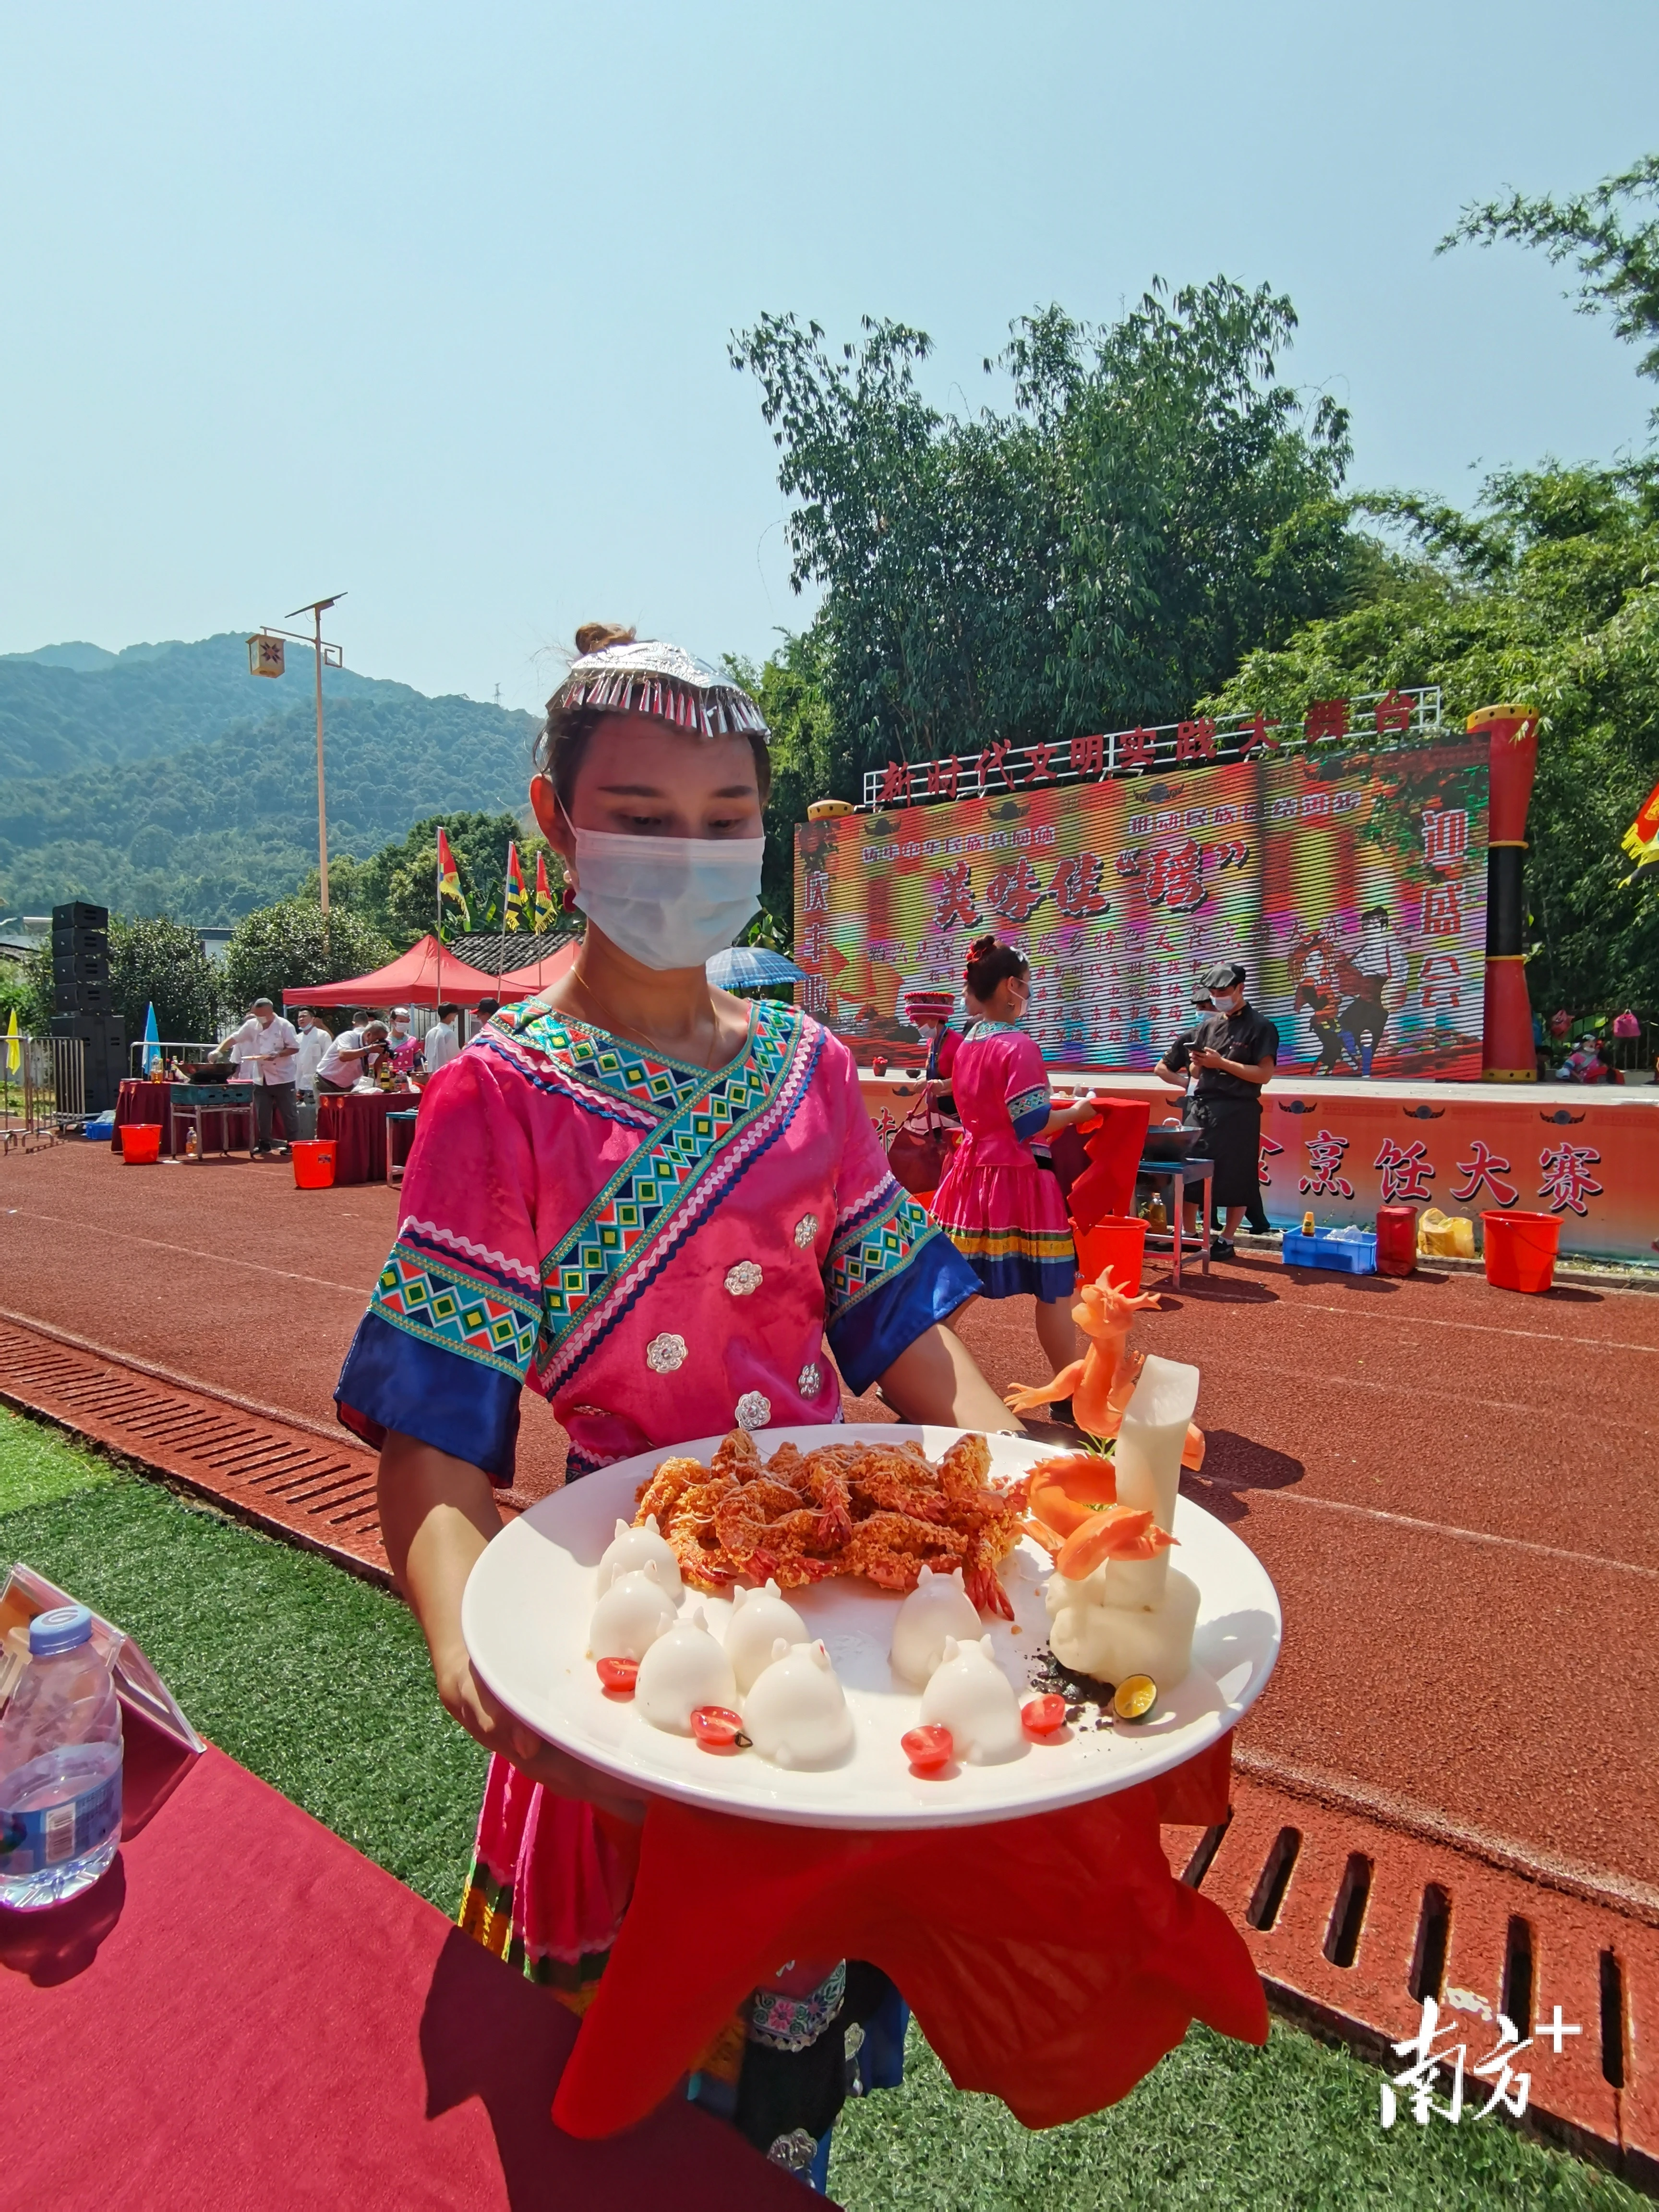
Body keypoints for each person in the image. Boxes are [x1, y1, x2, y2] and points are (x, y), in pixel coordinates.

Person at [334, 625, 1015, 2185]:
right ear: (553, 823)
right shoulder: (496, 1099)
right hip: (616, 1674)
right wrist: (469, 1644)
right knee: (601, 2126)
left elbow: (916, 1332)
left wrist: (1017, 1490)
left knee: (782, 2112)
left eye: (721, 819)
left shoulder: (810, 1074)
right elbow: (438, 1438)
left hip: (830, 1655)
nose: (683, 852)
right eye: (639, 811)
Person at [928, 936, 1100, 1387]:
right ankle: (1068, 1390)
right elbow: (1031, 1123)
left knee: (957, 1288)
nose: (1029, 992)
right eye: (1027, 984)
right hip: (1019, 1180)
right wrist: (1080, 1112)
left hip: (970, 1177)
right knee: (1055, 1289)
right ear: (1010, 987)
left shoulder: (967, 1043)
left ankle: (919, 1378)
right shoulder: (1018, 1046)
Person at [1157, 962, 1277, 1259]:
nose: (1217, 997)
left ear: (1240, 988)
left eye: (1223, 992)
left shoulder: (1261, 1026)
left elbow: (1264, 1074)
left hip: (1239, 1110)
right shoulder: (1207, 1026)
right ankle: (1189, 1232)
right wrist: (1198, 1065)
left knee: (1238, 1173)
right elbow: (1194, 1071)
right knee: (1190, 1170)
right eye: (1213, 993)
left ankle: (1226, 1238)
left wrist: (1221, 1063)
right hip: (1202, 1107)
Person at [227, 997, 301, 1156]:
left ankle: (293, 1143)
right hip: (261, 1076)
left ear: (270, 1012)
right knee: (263, 1113)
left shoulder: (284, 1026)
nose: (259, 1018)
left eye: (262, 1015)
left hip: (283, 1076)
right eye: (256, 1014)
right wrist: (218, 1050)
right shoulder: (251, 1025)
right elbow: (234, 1038)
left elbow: (295, 1048)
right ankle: (264, 1143)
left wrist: (278, 1055)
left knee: (289, 1113)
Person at [314, 1019, 388, 1094]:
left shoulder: (372, 1047)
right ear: (368, 1035)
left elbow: (375, 1068)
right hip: (325, 1082)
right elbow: (343, 1056)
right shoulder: (349, 1037)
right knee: (326, 1107)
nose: (380, 1043)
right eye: (378, 1040)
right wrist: (368, 1050)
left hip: (347, 1087)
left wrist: (382, 1057)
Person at [293, 1009, 332, 1099]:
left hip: (317, 1082)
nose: (301, 1019)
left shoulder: (323, 1035)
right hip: (301, 1083)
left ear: (313, 1019)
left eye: (304, 1016)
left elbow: (329, 1059)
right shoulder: (297, 1039)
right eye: (299, 1017)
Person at [422, 1003, 462, 1074]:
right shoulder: (448, 1033)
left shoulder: (430, 1033)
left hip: (430, 1074)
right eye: (454, 1016)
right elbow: (455, 1057)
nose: (454, 1020)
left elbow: (427, 1055)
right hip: (444, 1074)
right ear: (450, 1015)